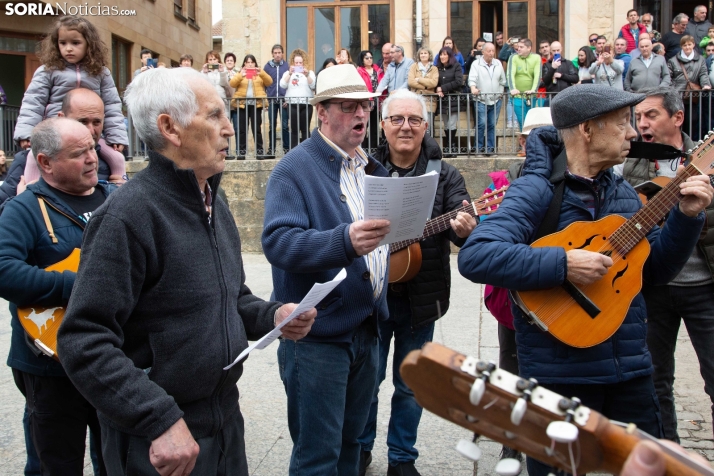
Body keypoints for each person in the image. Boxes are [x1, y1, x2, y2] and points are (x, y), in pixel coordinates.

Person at [56, 67, 316, 475]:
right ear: (170, 128)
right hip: (159, 444)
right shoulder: (128, 216)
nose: (230, 129)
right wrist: (157, 418)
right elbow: (83, 340)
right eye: (214, 116)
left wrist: (272, 316)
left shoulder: (213, 198)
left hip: (223, 423)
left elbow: (232, 297)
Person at [457, 83, 713, 476]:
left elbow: (656, 271)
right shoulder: (536, 189)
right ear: (587, 129)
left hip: (630, 372)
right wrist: (563, 263)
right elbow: (477, 255)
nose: (632, 132)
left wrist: (686, 217)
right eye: (623, 122)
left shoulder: (624, 194)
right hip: (559, 381)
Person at [261, 64, 388, 476]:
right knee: (318, 457)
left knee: (353, 448)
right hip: (316, 340)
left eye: (365, 107)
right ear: (321, 112)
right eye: (348, 106)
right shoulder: (293, 169)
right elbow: (278, 243)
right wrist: (344, 240)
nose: (360, 116)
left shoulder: (371, 168)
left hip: (366, 332)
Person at [357, 89, 475, 476]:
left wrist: (465, 226)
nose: (405, 127)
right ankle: (360, 448)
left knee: (410, 385)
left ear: (426, 126)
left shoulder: (446, 174)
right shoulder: (364, 169)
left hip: (421, 298)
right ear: (384, 125)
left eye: (414, 120)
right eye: (397, 119)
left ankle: (402, 459)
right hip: (371, 297)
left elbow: (463, 231)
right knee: (367, 381)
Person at [0, 117, 117, 475]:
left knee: (116, 460)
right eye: (78, 153)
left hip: (112, 357)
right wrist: (76, 284)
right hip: (49, 366)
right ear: (46, 162)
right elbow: (4, 270)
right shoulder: (23, 209)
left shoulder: (118, 199)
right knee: (55, 464)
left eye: (92, 149)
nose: (91, 159)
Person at [614, 86, 714, 443]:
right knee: (655, 381)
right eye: (638, 117)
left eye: (650, 115)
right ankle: (668, 456)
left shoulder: (706, 158)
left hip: (704, 286)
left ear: (677, 117)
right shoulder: (633, 161)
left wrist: (696, 210)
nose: (642, 124)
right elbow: (621, 216)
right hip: (652, 286)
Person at [13, 15, 127, 180]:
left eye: (75, 43)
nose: (68, 48)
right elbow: (33, 102)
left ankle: (120, 187)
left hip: (90, 135)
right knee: (33, 156)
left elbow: (111, 107)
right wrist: (26, 133)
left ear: (89, 44)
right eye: (63, 43)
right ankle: (29, 192)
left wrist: (116, 136)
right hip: (54, 132)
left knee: (116, 158)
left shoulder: (101, 73)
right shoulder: (48, 70)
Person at [668, 35, 711, 140]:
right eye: (685, 45)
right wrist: (670, 90)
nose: (687, 47)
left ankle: (690, 143)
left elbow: (703, 74)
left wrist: (706, 84)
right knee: (678, 121)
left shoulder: (700, 59)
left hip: (693, 96)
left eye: (689, 44)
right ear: (681, 46)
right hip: (677, 95)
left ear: (693, 45)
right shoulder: (673, 60)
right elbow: (668, 77)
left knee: (693, 120)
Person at [230, 54, 273, 159]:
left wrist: (261, 72)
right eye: (248, 62)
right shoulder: (240, 73)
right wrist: (241, 74)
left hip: (256, 104)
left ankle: (259, 152)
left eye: (252, 62)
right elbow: (232, 84)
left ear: (255, 63)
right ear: (245, 63)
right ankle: (241, 153)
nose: (250, 64)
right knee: (242, 130)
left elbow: (269, 82)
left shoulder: (259, 74)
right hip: (242, 104)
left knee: (256, 129)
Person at [468, 42, 507, 156]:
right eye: (489, 51)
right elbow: (472, 79)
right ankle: (478, 148)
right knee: (481, 124)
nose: (491, 53)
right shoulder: (476, 64)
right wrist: (473, 88)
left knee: (492, 124)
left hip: (496, 99)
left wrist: (500, 93)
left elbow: (502, 81)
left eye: (493, 51)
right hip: (481, 99)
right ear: (483, 52)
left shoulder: (498, 63)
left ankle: (490, 149)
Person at [280, 48, 316, 148]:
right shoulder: (287, 73)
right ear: (293, 63)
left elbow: (313, 85)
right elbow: (282, 84)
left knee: (305, 129)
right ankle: (294, 151)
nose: (299, 64)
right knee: (294, 129)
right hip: (293, 104)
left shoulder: (310, 73)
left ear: (304, 62)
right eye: (296, 62)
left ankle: (307, 150)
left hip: (306, 104)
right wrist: (290, 73)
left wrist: (307, 74)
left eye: (300, 62)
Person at [435, 47, 464, 157]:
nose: (442, 57)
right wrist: (438, 89)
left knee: (452, 123)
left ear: (449, 56)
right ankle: (448, 147)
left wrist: (443, 88)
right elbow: (434, 82)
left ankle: (452, 146)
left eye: (444, 54)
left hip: (453, 99)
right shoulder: (437, 68)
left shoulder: (456, 66)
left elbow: (458, 81)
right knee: (446, 124)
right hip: (443, 100)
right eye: (441, 55)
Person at [507, 38, 541, 128]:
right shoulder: (513, 57)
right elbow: (510, 74)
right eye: (518, 47)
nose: (518, 49)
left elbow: (538, 75)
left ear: (529, 48)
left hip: (531, 96)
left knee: (530, 122)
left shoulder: (536, 57)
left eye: (521, 47)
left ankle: (528, 141)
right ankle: (526, 141)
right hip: (517, 96)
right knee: (523, 121)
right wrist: (513, 89)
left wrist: (533, 90)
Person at [264, 44, 290, 157]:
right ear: (272, 54)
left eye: (279, 52)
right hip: (271, 100)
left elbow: (290, 84)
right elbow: (264, 83)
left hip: (284, 101)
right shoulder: (267, 67)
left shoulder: (287, 66)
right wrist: (266, 99)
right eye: (275, 53)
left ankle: (287, 149)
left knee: (285, 125)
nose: (277, 54)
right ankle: (271, 150)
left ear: (282, 54)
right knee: (272, 125)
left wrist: (287, 99)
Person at [356, 50, 384, 151]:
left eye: (371, 58)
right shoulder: (359, 70)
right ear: (362, 60)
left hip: (378, 100)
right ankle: (362, 147)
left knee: (375, 125)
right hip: (366, 100)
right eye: (366, 58)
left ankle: (373, 147)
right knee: (364, 124)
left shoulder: (377, 69)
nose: (369, 60)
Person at [408, 47, 438, 136]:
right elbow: (411, 82)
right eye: (421, 53)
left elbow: (434, 83)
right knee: (416, 123)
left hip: (430, 100)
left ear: (429, 55)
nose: (423, 55)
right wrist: (426, 86)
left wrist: (419, 80)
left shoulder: (434, 68)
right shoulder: (414, 66)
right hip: (416, 98)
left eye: (425, 53)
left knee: (428, 125)